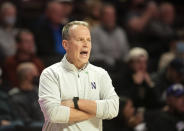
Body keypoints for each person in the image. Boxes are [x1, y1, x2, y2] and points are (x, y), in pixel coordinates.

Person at [38, 21, 119, 131]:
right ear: (65, 44)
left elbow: (113, 108)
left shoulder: (100, 74)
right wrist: (95, 112)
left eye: (88, 40)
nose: (86, 44)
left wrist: (75, 102)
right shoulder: (50, 73)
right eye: (80, 40)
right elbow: (54, 114)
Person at [91, 3, 129, 70]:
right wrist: (110, 60)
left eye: (113, 15)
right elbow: (94, 55)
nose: (111, 17)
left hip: (120, 66)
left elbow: (126, 53)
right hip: (103, 67)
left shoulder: (120, 32)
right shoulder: (94, 32)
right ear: (101, 17)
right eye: (107, 15)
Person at [10, 63, 43, 130]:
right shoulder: (15, 97)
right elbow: (25, 122)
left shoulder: (39, 91)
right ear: (28, 76)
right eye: (36, 73)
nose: (38, 75)